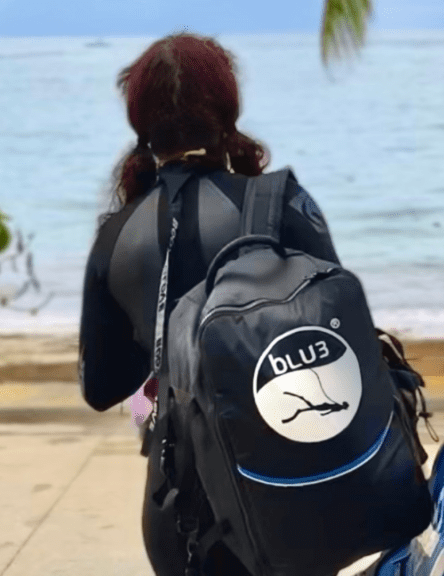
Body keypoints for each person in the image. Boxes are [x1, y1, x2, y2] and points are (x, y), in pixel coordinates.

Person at [78, 33, 345, 575]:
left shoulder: (116, 236)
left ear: (141, 122)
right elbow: (340, 337)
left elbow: (101, 387)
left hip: (176, 511)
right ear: (227, 108)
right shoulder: (282, 205)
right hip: (292, 497)